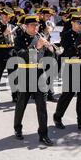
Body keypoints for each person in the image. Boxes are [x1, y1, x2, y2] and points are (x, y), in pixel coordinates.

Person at [13, 15, 53, 146]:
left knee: (42, 106)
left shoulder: (40, 37)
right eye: (32, 25)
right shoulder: (19, 38)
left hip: (40, 76)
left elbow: (48, 57)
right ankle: (17, 128)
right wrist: (36, 47)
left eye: (36, 25)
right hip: (25, 75)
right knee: (21, 104)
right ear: (25, 26)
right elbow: (20, 55)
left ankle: (43, 134)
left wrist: (51, 49)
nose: (35, 28)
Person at [53, 15, 81, 134]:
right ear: (72, 22)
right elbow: (67, 52)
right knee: (68, 95)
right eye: (78, 22)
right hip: (72, 67)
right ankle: (57, 117)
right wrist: (80, 43)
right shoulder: (66, 35)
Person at [0, 8, 18, 103]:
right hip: (0, 52)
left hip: (11, 51)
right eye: (5, 16)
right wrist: (4, 34)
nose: (7, 18)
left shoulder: (12, 26)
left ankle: (14, 95)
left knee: (13, 75)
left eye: (9, 17)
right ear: (1, 16)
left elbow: (16, 40)